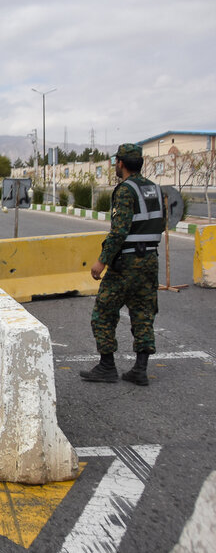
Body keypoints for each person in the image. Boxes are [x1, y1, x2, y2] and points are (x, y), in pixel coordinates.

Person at [80, 143, 165, 386]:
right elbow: (162, 223)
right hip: (150, 260)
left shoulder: (125, 190)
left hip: (127, 262)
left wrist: (101, 261)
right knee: (143, 312)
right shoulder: (155, 189)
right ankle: (140, 369)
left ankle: (107, 366)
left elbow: (119, 230)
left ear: (120, 163)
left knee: (104, 312)